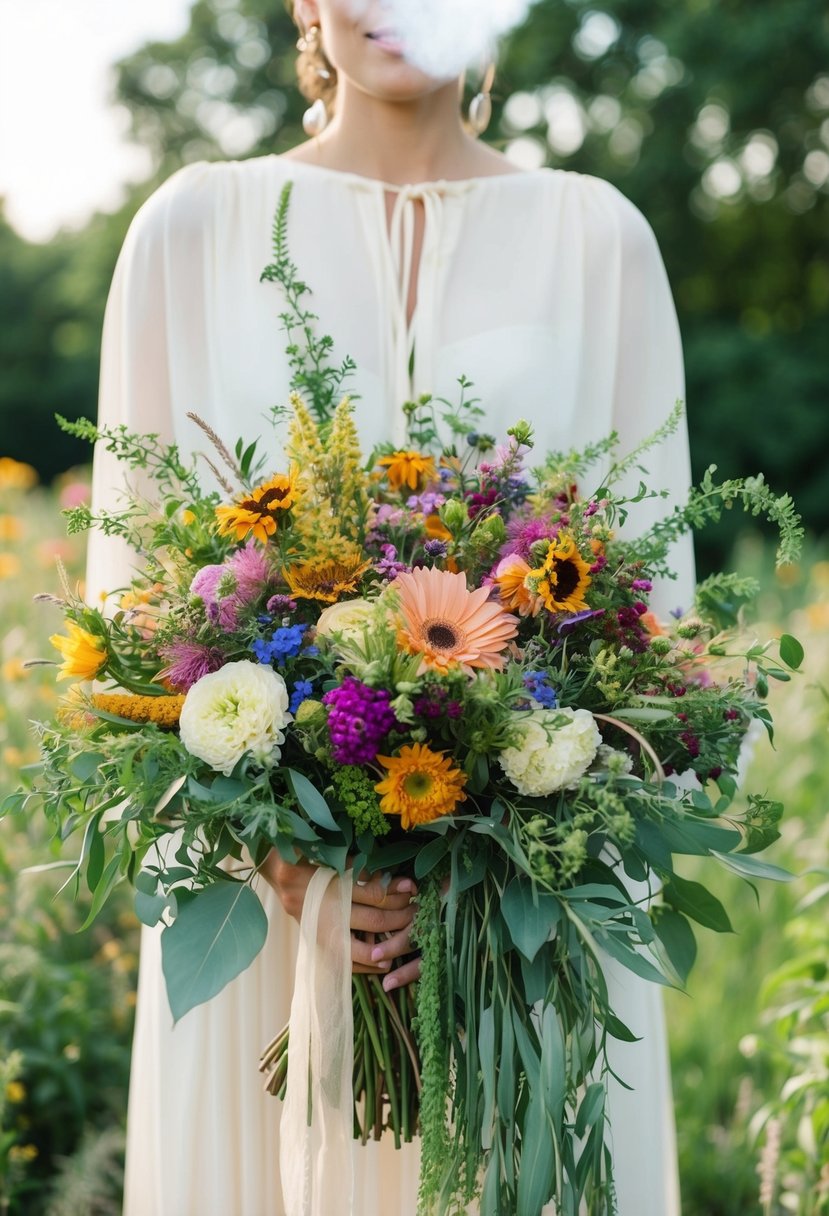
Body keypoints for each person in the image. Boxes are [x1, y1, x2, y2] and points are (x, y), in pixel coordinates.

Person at [86, 1, 694, 1212]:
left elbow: (654, 624)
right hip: (261, 931)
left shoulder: (598, 240)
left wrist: (507, 834)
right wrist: (287, 858)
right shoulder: (191, 230)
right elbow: (134, 617)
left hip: (521, 936)